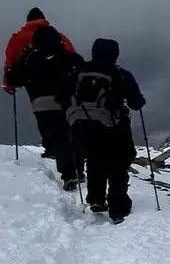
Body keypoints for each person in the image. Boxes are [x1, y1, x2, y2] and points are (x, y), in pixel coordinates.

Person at [60, 38, 146, 224]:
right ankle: (118, 208)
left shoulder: (78, 72)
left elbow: (61, 97)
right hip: (114, 127)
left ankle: (96, 199)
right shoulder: (121, 74)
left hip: (81, 125)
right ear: (115, 55)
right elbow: (135, 104)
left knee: (94, 159)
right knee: (118, 162)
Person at [4, 24, 85, 190]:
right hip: (69, 103)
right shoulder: (71, 57)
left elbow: (13, 78)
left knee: (58, 139)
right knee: (72, 136)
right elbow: (83, 74)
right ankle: (77, 171)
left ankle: (69, 174)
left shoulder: (30, 58)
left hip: (41, 104)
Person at [2, 7, 77, 157]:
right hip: (61, 80)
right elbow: (72, 55)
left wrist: (8, 82)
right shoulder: (59, 37)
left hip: (35, 82)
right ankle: (67, 147)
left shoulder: (19, 37)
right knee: (63, 113)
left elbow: (11, 60)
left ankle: (50, 146)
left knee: (42, 111)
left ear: (28, 21)